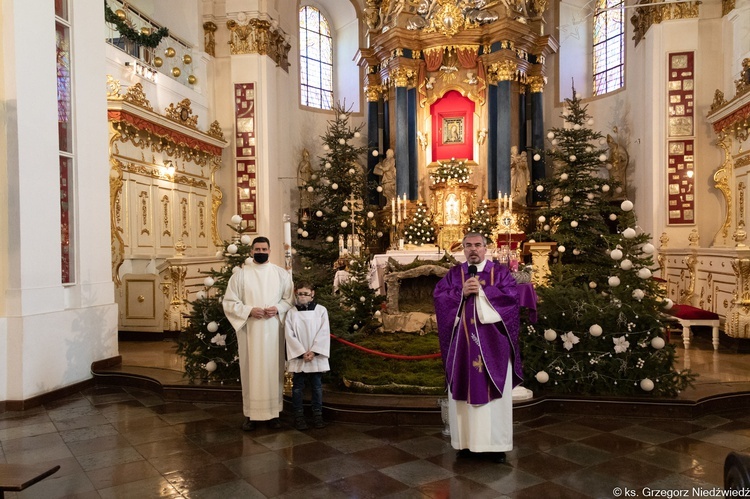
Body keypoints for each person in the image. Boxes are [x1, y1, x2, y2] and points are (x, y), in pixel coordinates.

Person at [433, 232, 522, 463]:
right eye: (468, 245)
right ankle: (465, 444)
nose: (473, 249)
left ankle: (496, 446)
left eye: (478, 245)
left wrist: (483, 292)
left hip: (494, 350)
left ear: (486, 248)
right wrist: (460, 294)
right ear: (463, 249)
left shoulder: (500, 273)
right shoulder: (454, 275)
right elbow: (440, 298)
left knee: (494, 399)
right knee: (463, 396)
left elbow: (511, 300)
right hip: (462, 348)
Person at [223, 236, 294, 431]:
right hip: (250, 332)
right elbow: (229, 303)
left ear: (270, 251)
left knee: (273, 370)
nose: (261, 252)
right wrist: (248, 311)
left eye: (264, 249)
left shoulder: (281, 274)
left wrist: (278, 308)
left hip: (272, 332)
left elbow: (289, 300)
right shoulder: (240, 275)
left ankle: (273, 414)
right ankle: (251, 415)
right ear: (251, 251)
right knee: (250, 370)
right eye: (257, 249)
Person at [285, 281, 331, 430]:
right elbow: (289, 334)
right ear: (296, 294)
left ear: (312, 294)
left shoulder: (321, 310)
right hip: (300, 356)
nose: (302, 296)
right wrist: (301, 352)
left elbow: (324, 331)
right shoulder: (291, 312)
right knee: (297, 387)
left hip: (315, 356)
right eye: (300, 294)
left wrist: (314, 351)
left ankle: (317, 415)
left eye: (306, 293)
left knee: (317, 387)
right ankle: (299, 417)